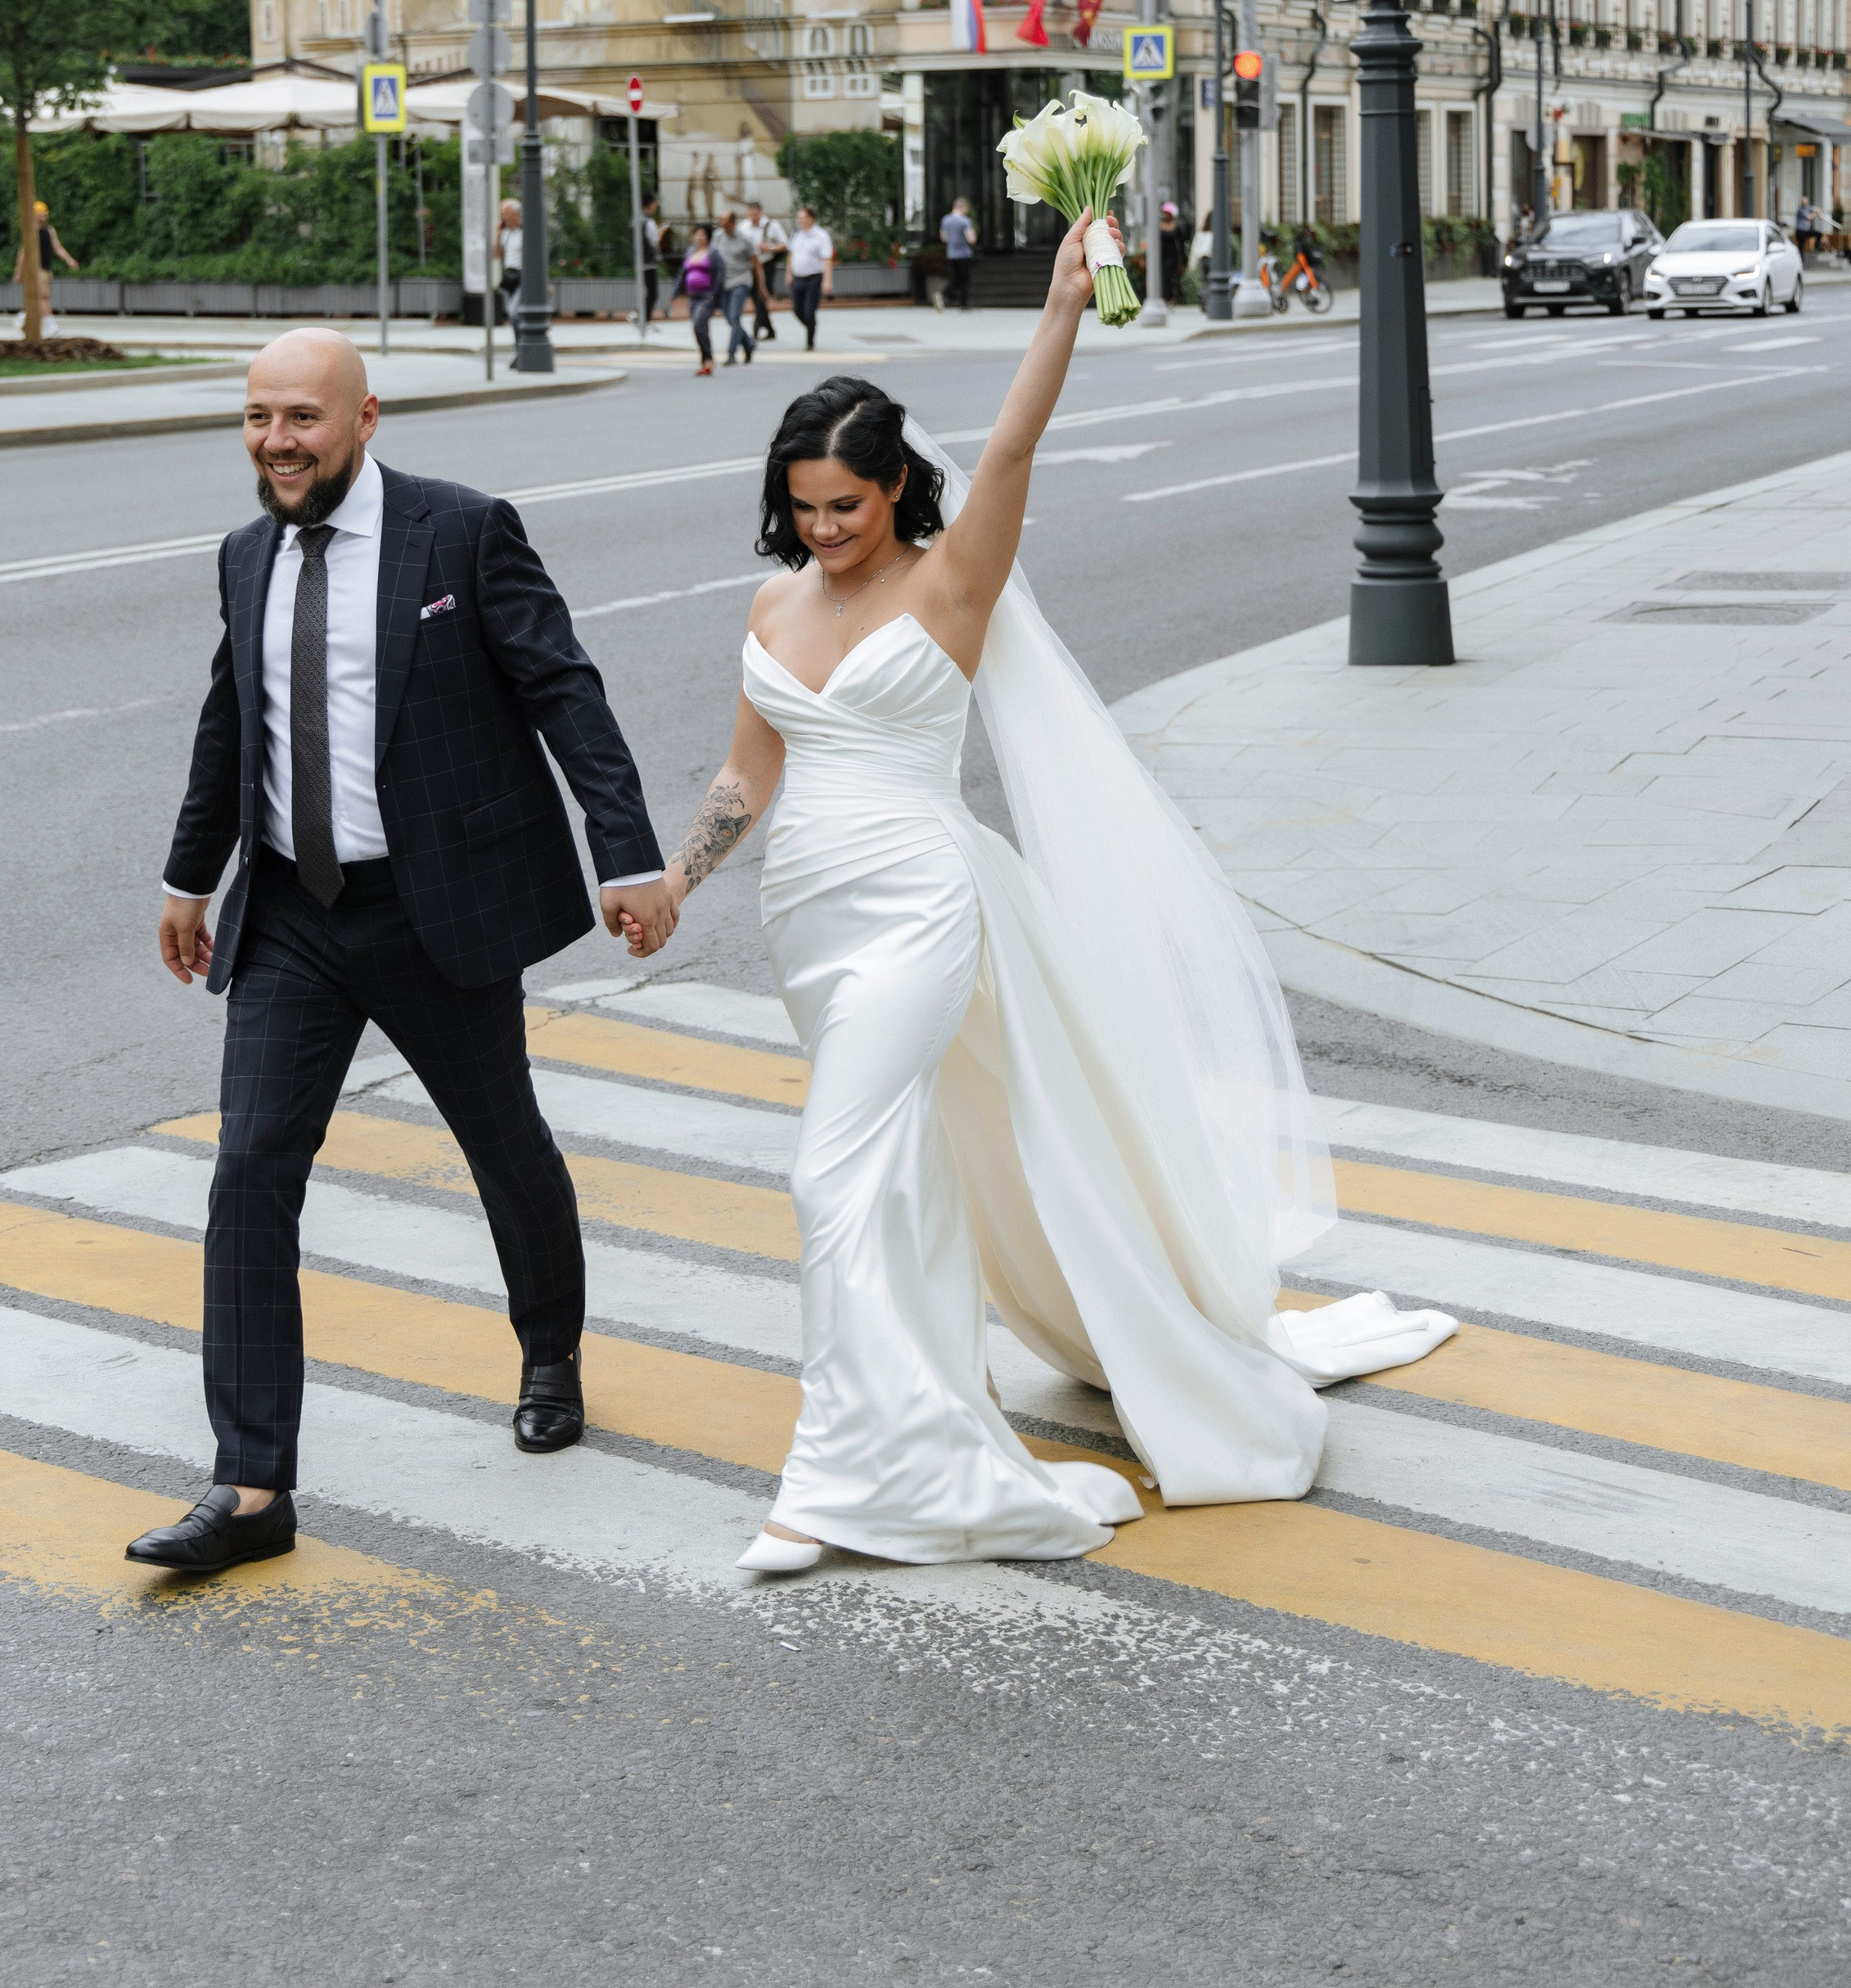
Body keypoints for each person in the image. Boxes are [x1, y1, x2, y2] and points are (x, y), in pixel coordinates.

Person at [615, 214, 1453, 1576]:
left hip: (920, 904)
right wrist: (672, 881)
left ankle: (832, 1476)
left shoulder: (951, 584)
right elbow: (744, 774)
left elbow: (1008, 449)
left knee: (827, 1173)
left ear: (896, 489)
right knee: (904, 1182)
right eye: (806, 507)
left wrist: (1062, 305)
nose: (826, 531)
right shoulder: (773, 611)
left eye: (849, 504)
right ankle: (937, 1423)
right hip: (809, 924)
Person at [129, 327, 673, 1578]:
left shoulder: (460, 531)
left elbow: (564, 693)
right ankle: (253, 1482)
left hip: (439, 910)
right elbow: (236, 720)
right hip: (294, 921)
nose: (278, 440)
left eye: (303, 419)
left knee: (505, 1144)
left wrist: (627, 854)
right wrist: (186, 874)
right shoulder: (244, 552)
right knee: (251, 1168)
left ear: (365, 418)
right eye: (260, 417)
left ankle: (549, 1347)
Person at [14, 198, 79, 327]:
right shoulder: (31, 232)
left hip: (46, 268)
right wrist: (19, 272)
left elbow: (57, 248)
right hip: (35, 270)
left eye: (45, 215)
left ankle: (23, 318)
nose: (43, 218)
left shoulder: (49, 231)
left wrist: (69, 260)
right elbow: (23, 253)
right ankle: (52, 327)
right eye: (40, 215)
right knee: (43, 298)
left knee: (38, 299)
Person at [713, 209, 760, 367]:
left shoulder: (744, 240)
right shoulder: (718, 236)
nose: (724, 227)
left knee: (734, 317)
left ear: (733, 223)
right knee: (728, 317)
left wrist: (762, 286)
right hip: (724, 283)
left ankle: (731, 354)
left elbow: (756, 263)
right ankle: (748, 343)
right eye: (722, 224)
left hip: (741, 281)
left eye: (726, 224)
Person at [787, 204, 835, 353]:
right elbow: (791, 255)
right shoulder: (797, 234)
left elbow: (827, 259)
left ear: (811, 219)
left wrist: (827, 281)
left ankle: (810, 341)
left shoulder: (821, 236)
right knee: (797, 310)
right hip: (798, 277)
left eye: (802, 218)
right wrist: (789, 273)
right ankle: (811, 326)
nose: (799, 220)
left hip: (814, 278)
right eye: (799, 218)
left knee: (809, 311)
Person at [677, 223, 718, 376]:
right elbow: (683, 273)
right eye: (697, 235)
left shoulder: (713, 253)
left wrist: (716, 294)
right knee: (700, 328)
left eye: (702, 235)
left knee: (699, 324)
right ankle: (706, 360)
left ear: (708, 237)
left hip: (707, 296)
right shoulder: (691, 251)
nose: (699, 238)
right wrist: (676, 292)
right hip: (693, 296)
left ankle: (709, 358)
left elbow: (720, 274)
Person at [745, 200, 787, 341]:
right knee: (755, 297)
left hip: (766, 265)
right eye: (750, 213)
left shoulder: (771, 225)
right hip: (751, 267)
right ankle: (770, 329)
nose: (753, 216)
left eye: (755, 213)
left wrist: (769, 248)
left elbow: (784, 245)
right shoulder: (744, 227)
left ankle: (756, 329)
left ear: (760, 213)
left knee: (761, 297)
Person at [939, 195, 976, 310]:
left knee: (954, 279)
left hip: (951, 254)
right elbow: (971, 239)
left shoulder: (945, 220)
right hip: (963, 254)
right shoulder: (965, 221)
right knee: (964, 280)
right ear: (963, 207)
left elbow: (943, 238)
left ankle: (944, 295)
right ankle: (963, 304)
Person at [496, 197, 522, 326]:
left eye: (505, 213)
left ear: (514, 214)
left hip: (522, 277)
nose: (503, 217)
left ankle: (521, 343)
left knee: (513, 312)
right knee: (512, 313)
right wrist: (498, 236)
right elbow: (496, 255)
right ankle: (519, 343)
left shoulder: (524, 232)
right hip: (508, 277)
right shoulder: (506, 233)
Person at [1158, 200, 1185, 309]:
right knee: (1162, 277)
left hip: (1172, 255)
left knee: (1169, 277)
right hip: (1161, 255)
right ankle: (1163, 297)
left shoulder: (1176, 228)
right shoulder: (1159, 226)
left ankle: (1170, 298)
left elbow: (1181, 244)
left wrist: (1182, 260)